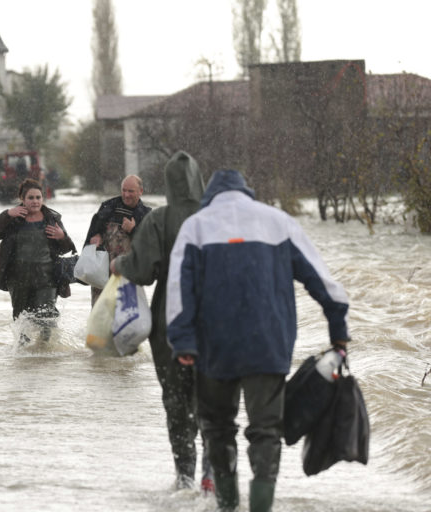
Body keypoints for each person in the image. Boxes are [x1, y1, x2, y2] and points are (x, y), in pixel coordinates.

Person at [165, 169, 350, 512]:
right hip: (267, 344)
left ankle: (227, 504)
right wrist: (338, 330)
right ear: (246, 191)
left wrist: (183, 342)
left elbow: (179, 291)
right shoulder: (279, 222)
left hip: (214, 348)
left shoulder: (196, 226)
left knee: (218, 427)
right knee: (266, 429)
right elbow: (323, 282)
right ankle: (261, 507)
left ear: (211, 194)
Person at [109, 152, 213, 492]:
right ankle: (213, 470)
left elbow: (143, 271)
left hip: (170, 323)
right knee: (214, 399)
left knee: (176, 401)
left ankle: (184, 475)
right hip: (216, 325)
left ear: (167, 184)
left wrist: (120, 266)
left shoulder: (159, 220)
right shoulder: (216, 218)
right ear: (200, 180)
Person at [0, 178, 76, 344]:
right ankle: (24, 356)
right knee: (21, 319)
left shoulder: (51, 219)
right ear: (22, 200)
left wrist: (63, 237)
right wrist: (8, 214)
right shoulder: (13, 219)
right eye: (30, 198)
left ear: (43, 198)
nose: (35, 201)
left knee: (47, 317)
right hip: (18, 279)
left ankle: (45, 351)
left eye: (38, 197)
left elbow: (65, 249)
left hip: (47, 278)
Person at [84, 174, 151, 305]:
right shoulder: (107, 207)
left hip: (129, 277)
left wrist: (133, 231)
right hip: (101, 277)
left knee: (126, 320)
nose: (126, 195)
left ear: (141, 191)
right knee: (101, 320)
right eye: (123, 190)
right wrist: (95, 238)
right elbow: (89, 240)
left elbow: (149, 250)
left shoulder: (147, 215)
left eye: (130, 191)